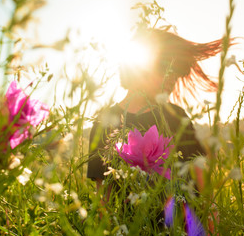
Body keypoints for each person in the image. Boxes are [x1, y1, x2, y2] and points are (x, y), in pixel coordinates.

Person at [87, 27, 228, 192]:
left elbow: (202, 185)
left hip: (184, 217)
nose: (172, 78)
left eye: (177, 73)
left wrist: (212, 216)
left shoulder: (177, 117)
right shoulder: (105, 122)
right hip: (131, 218)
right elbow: (104, 199)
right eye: (165, 69)